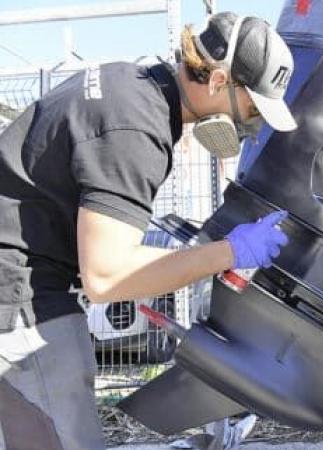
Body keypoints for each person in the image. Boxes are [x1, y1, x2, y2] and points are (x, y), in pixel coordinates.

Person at [0, 12, 295, 450]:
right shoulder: (136, 127)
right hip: (17, 291)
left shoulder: (129, 85)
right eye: (252, 108)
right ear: (217, 81)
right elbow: (107, 277)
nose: (251, 124)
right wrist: (230, 252)